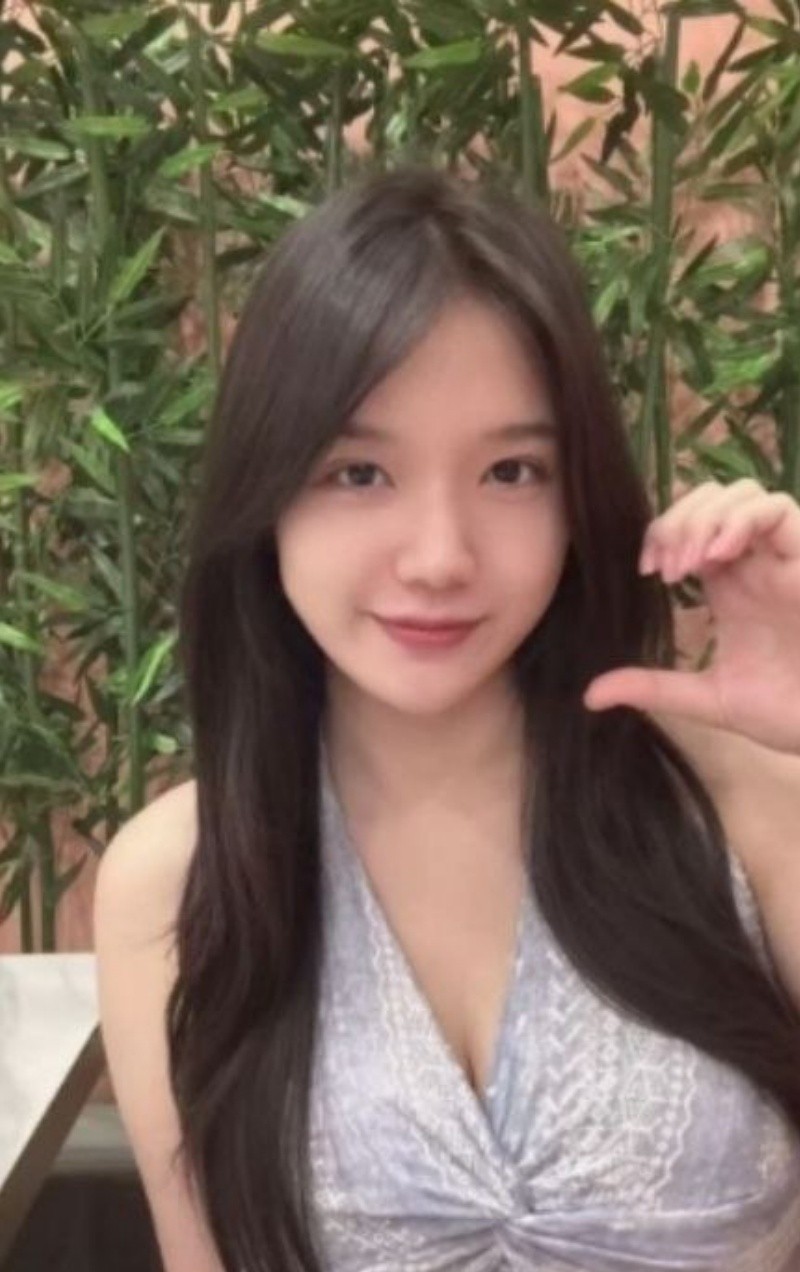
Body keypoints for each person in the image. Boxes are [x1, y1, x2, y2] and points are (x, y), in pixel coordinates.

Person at [93, 163, 800, 1272]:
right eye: (358, 472)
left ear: (578, 500)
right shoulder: (175, 880)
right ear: (267, 496)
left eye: (511, 471)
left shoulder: (746, 807)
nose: (438, 558)